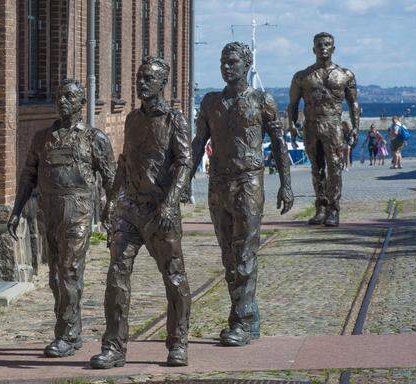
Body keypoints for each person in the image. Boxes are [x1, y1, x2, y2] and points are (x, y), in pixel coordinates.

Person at [90, 57, 192, 369]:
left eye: (149, 78)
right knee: (116, 277)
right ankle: (114, 347)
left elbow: (185, 163)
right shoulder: (133, 119)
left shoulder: (175, 120)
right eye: (139, 77)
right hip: (130, 210)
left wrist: (171, 201)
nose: (142, 83)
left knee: (174, 278)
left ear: (163, 83)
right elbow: (124, 162)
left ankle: (178, 343)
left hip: (161, 211)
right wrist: (111, 200)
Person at [191, 42, 293, 347]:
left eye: (233, 62)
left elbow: (279, 145)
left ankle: (241, 320)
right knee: (229, 256)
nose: (227, 67)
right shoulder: (210, 102)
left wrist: (286, 184)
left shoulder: (262, 100)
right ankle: (249, 316)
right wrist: (183, 181)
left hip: (249, 181)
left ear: (247, 64)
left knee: (245, 254)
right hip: (218, 182)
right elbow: (198, 144)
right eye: (223, 62)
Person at [8, 80, 116, 358]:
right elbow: (28, 175)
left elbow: (112, 181)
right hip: (50, 210)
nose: (62, 101)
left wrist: (110, 214)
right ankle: (72, 329)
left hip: (78, 209)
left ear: (82, 103)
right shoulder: (43, 137)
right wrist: (17, 209)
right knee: (56, 277)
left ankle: (66, 334)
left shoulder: (95, 139)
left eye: (70, 97)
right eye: (59, 96)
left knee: (69, 271)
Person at [288, 32, 360, 227]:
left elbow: (354, 103)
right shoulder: (302, 76)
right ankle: (320, 208)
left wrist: (355, 126)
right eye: (319, 45)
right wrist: (291, 125)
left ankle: (333, 210)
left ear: (333, 49)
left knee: (335, 167)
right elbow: (293, 104)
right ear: (314, 49)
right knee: (316, 168)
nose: (323, 48)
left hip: (334, 125)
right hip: (311, 125)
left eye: (327, 44)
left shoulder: (345, 75)